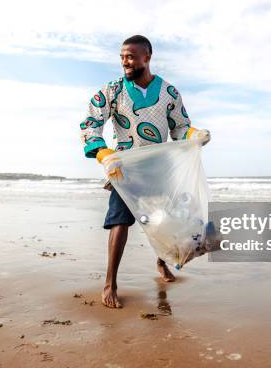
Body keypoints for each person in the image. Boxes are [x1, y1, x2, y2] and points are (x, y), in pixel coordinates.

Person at [80, 35, 211, 308]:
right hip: (123, 169)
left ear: (147, 57)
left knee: (162, 221)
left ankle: (161, 263)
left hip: (159, 170)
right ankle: (110, 283)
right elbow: (90, 124)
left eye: (130, 56)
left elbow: (179, 128)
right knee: (119, 222)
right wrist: (103, 154)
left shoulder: (169, 92)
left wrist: (195, 133)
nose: (125, 62)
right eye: (122, 57)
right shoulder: (112, 90)